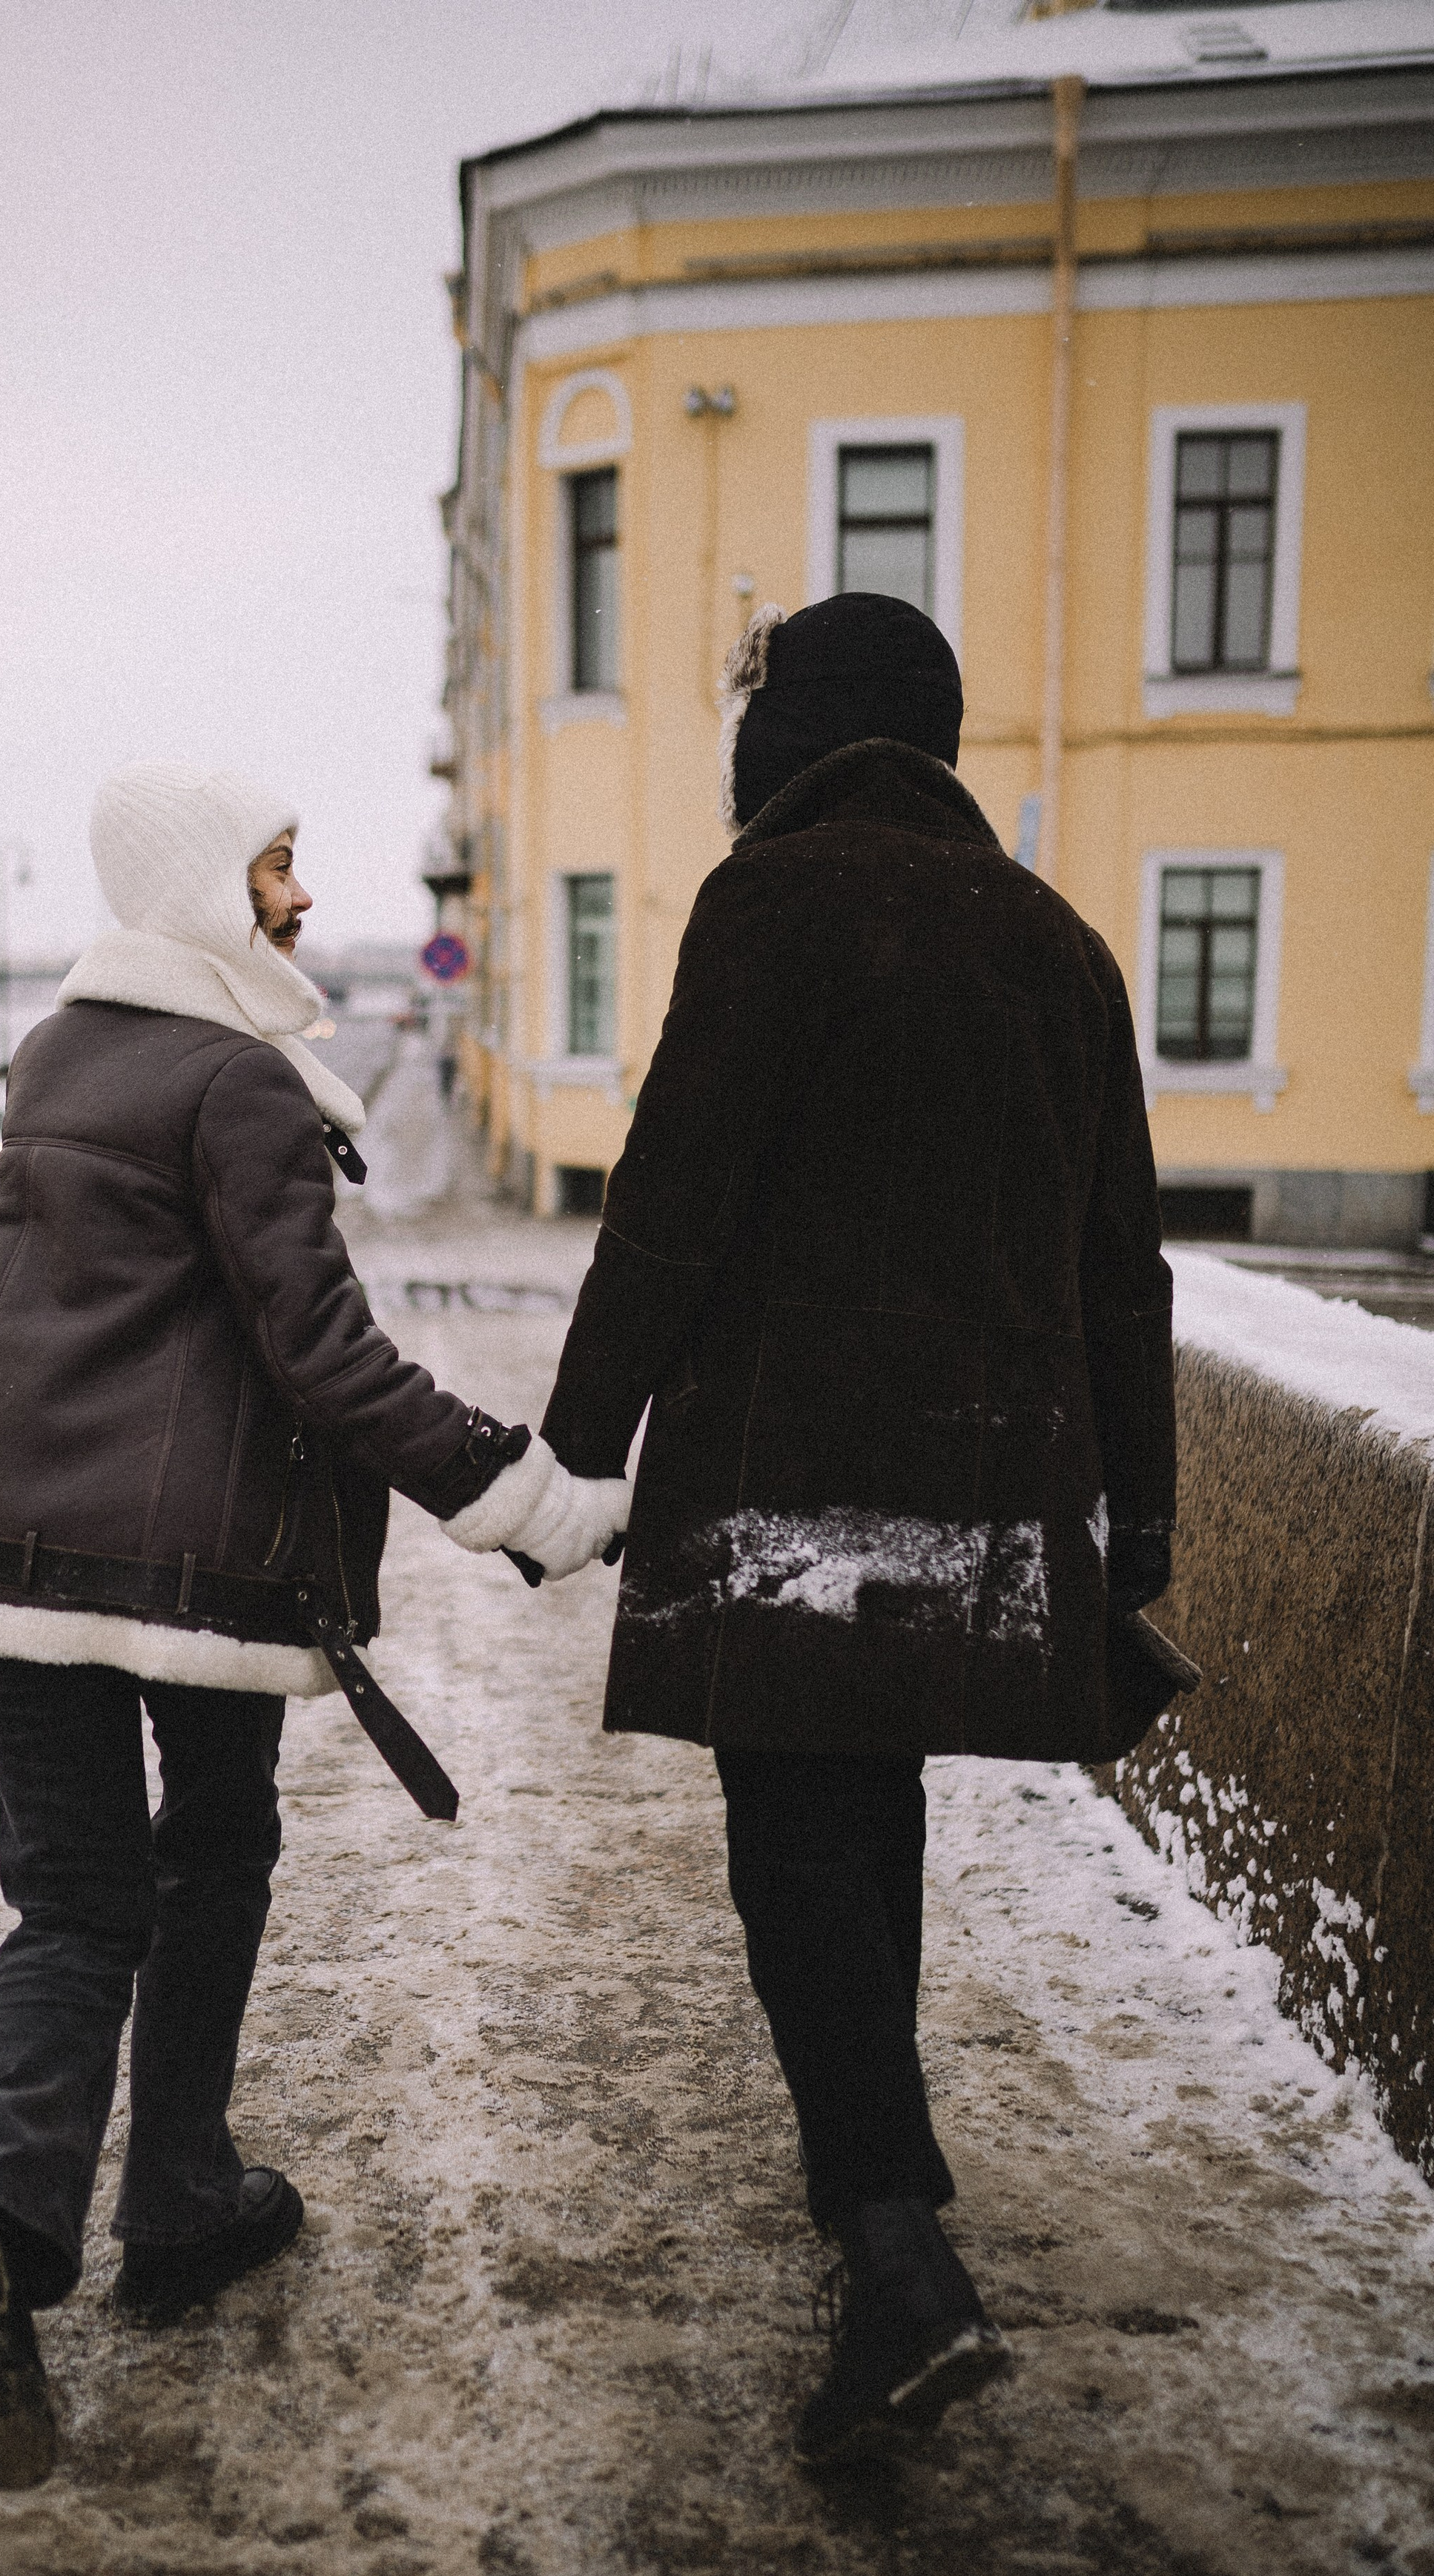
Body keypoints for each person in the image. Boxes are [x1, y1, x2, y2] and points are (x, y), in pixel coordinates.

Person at [0, 759, 628, 2490]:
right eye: (277, 869)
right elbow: (324, 1353)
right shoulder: (238, 1082)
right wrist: (515, 1496)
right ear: (206, 888)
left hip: (7, 1544)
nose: (301, 900)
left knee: (69, 1904)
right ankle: (178, 2197)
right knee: (211, 1854)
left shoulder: (55, 1054)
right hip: (193, 1570)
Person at [539, 593, 1175, 2465]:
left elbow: (673, 1195)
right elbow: (1118, 1268)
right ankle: (884, 2211)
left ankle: (893, 2254)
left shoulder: (772, 904)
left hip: (781, 1488)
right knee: (861, 1812)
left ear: (788, 743)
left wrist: (576, 1451)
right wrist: (1134, 1523)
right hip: (984, 1489)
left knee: (795, 1839)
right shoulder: (1061, 950)